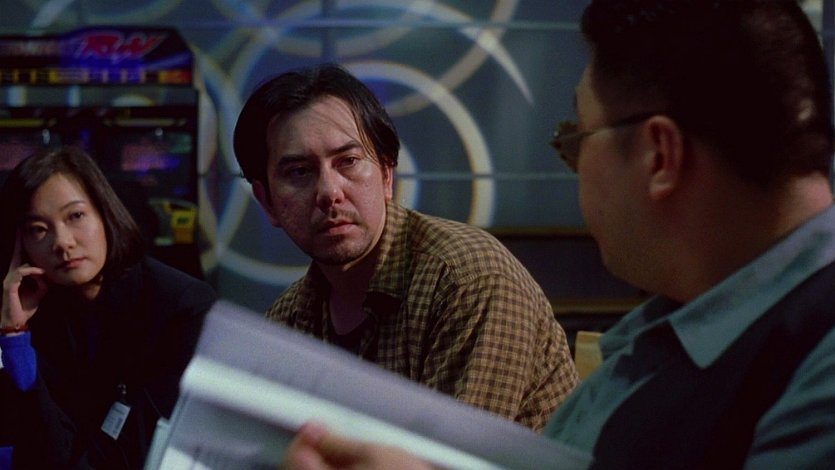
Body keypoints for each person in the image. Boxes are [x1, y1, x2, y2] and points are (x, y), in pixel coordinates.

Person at [278, 1, 835, 468]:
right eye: (297, 171)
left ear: (659, 156)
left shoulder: (816, 364)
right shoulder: (676, 331)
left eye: (576, 141)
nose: (330, 193)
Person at [233, 63, 578, 432]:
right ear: (267, 202)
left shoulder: (466, 279)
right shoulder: (288, 320)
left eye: (348, 162)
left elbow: (448, 456)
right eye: (299, 172)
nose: (330, 192)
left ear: (386, 175)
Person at [0, 147, 217, 469]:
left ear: (105, 213)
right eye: (38, 229)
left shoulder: (181, 307)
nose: (62, 242)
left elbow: (134, 453)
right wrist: (14, 335)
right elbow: (36, 448)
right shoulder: (37, 310)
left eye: (75, 216)